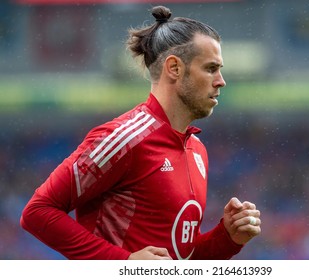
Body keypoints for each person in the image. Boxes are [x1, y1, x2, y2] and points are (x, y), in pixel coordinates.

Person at [20, 5, 261, 260]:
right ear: (174, 68)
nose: (221, 80)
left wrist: (228, 237)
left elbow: (182, 260)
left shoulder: (197, 150)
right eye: (211, 68)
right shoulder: (124, 139)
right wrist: (125, 263)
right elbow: (37, 211)